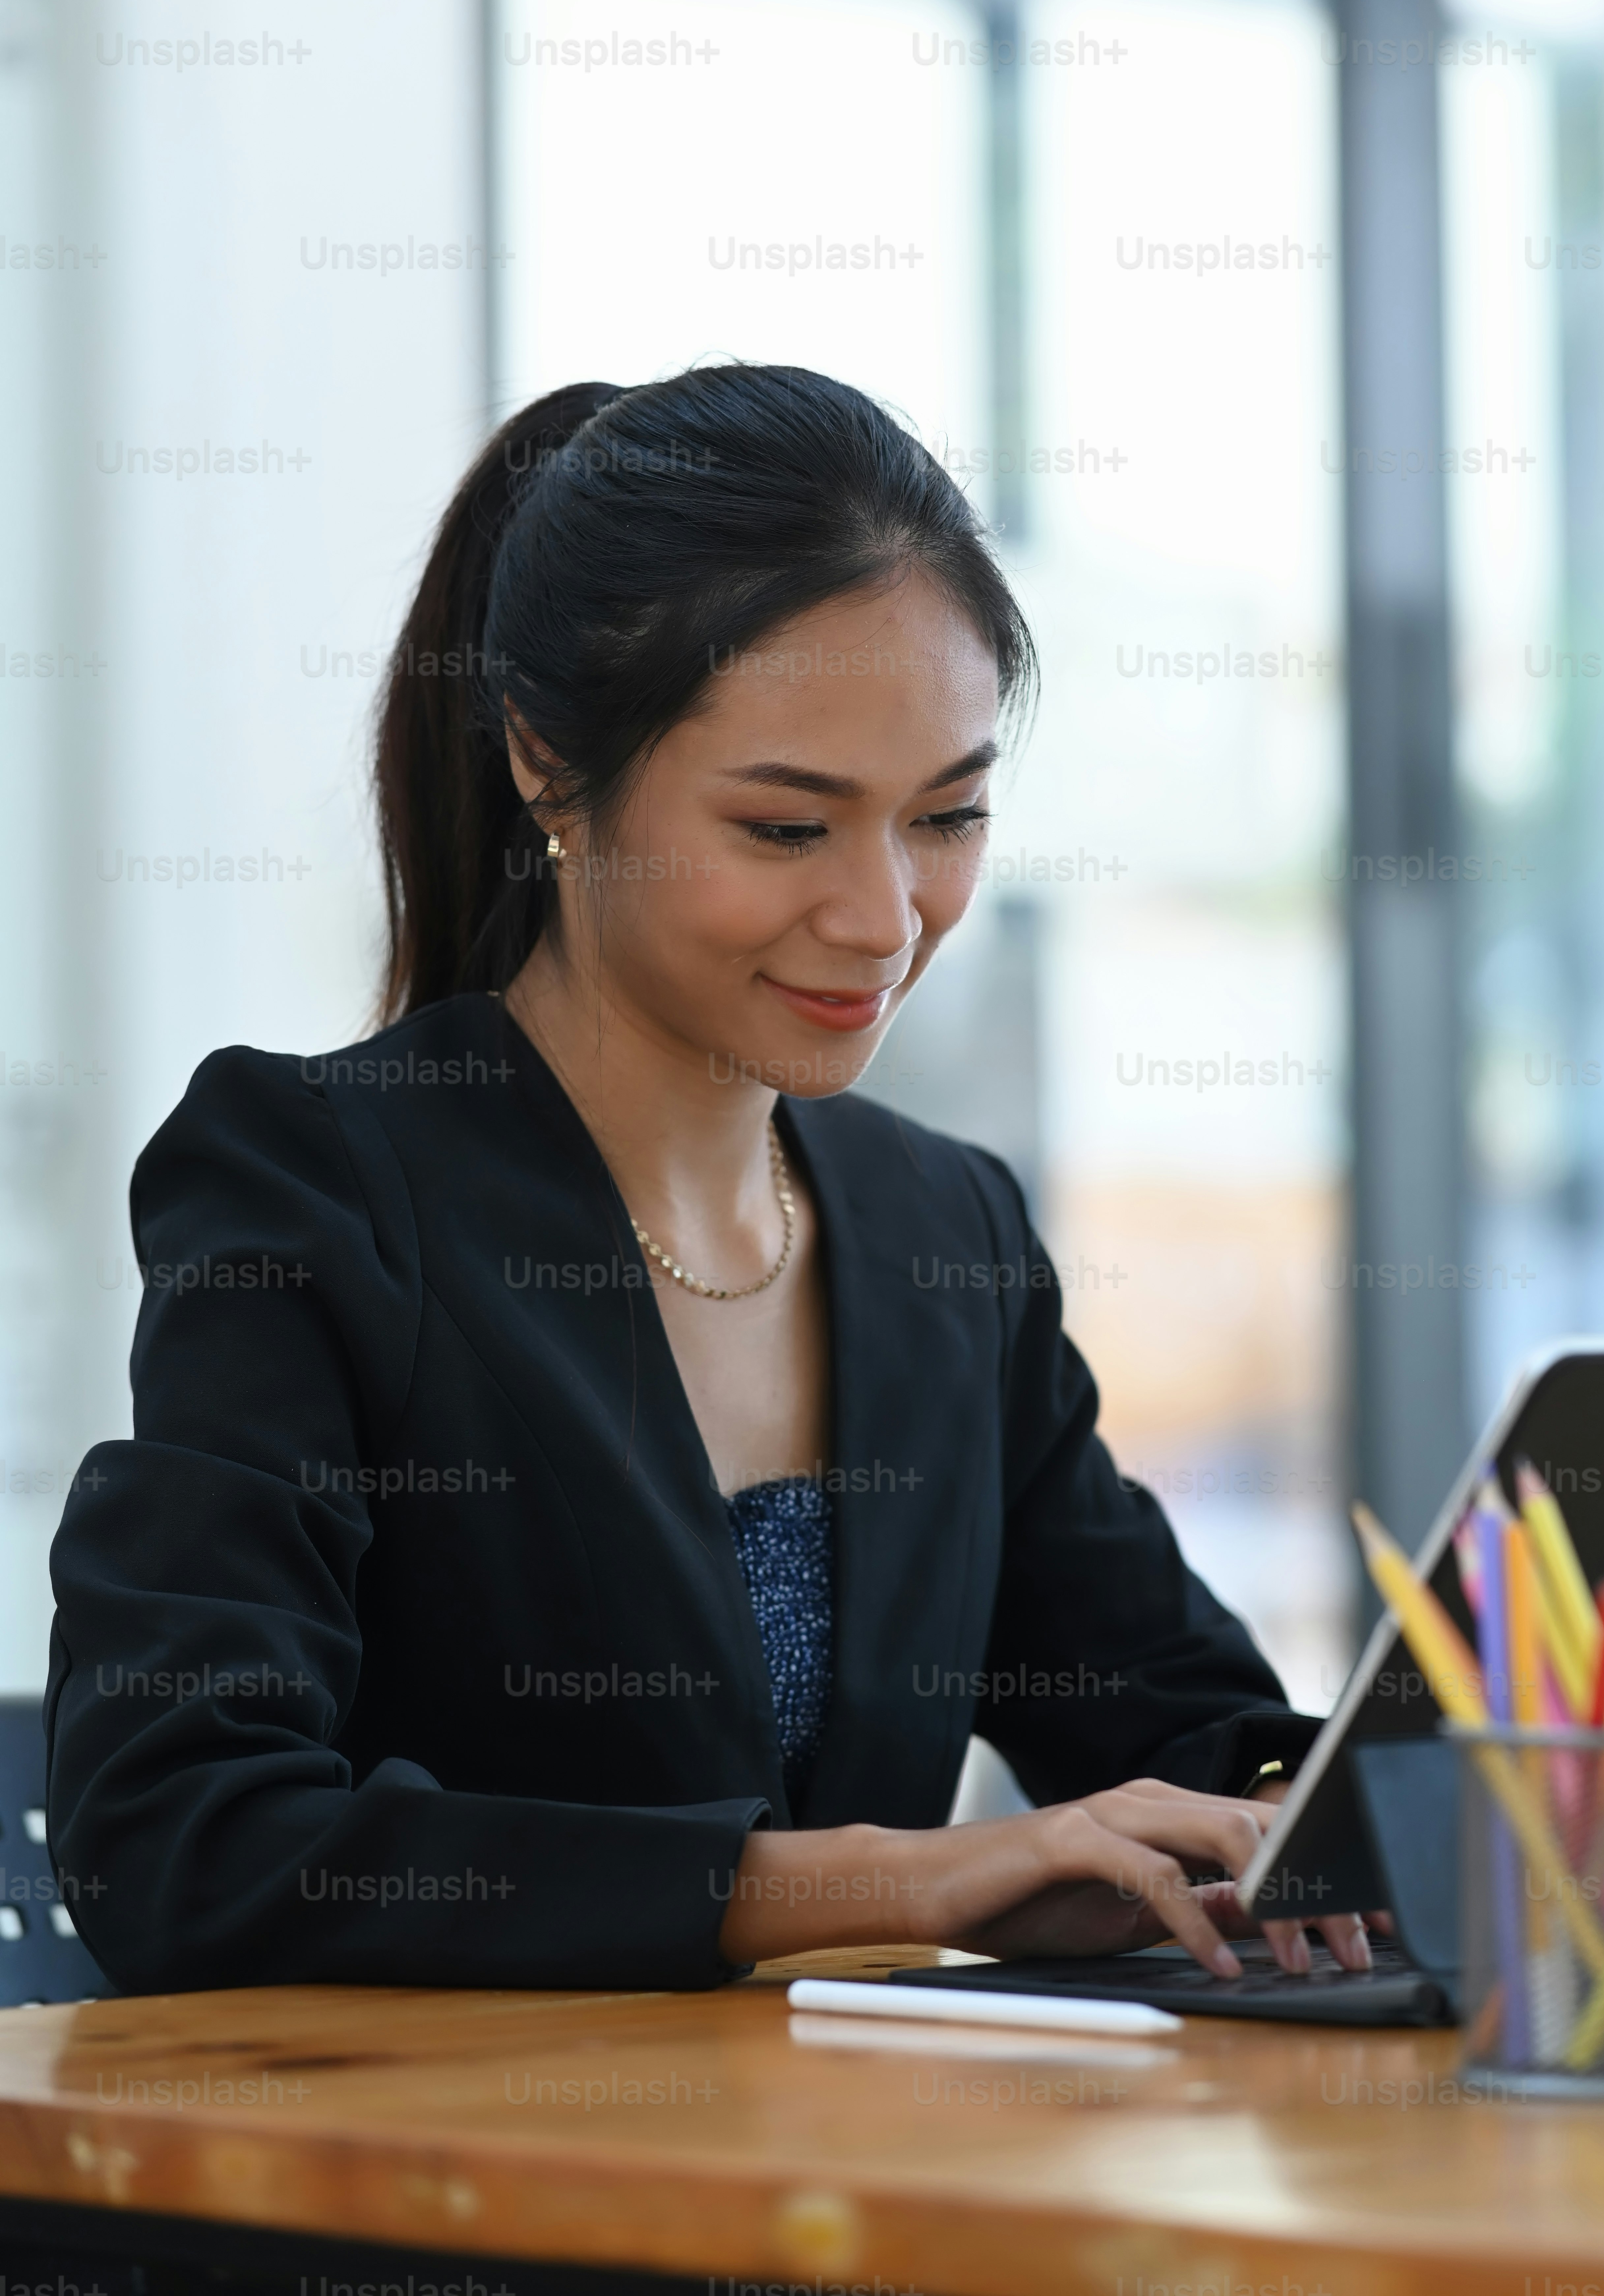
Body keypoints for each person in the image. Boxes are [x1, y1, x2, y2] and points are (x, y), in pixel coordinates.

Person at [45, 365, 1371, 1994]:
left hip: (845, 2194)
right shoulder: (321, 1188)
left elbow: (1182, 1723)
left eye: (945, 817)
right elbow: (183, 1836)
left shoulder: (936, 1231)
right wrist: (892, 1884)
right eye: (785, 830)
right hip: (463, 2200)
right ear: (545, 761)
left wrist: (1306, 1817)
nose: (886, 918)